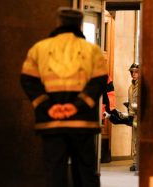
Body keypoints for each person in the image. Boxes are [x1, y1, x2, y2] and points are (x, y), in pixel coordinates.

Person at [20, 7, 108, 187]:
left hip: (51, 122)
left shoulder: (39, 48)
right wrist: (77, 106)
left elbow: (28, 80)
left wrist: (48, 106)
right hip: (82, 123)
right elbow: (99, 81)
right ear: (79, 24)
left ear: (58, 23)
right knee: (85, 173)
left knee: (55, 173)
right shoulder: (92, 50)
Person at [107, 63, 139, 172]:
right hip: (133, 116)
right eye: (132, 72)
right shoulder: (131, 87)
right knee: (135, 139)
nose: (134, 74)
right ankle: (136, 162)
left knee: (140, 140)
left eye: (136, 72)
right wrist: (129, 105)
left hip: (141, 117)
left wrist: (133, 106)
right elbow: (132, 102)